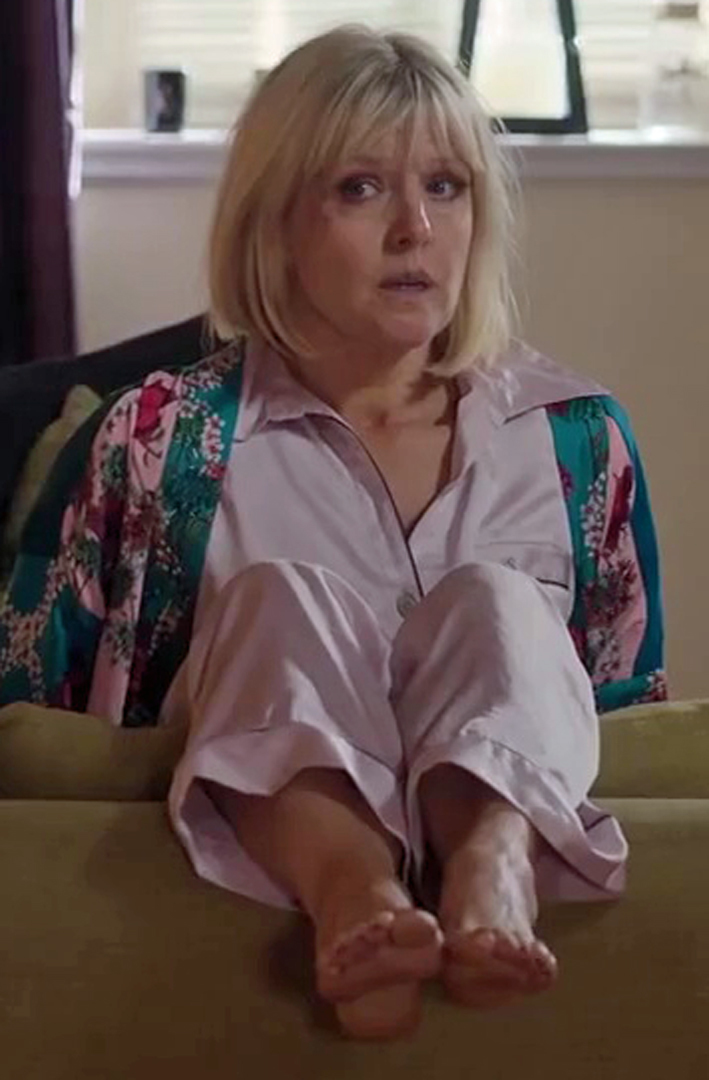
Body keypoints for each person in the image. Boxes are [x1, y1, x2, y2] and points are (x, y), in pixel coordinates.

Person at [0, 26, 667, 1041]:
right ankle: (353, 890)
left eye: (445, 187)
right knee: (282, 596)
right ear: (274, 221)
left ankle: (491, 859)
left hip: (513, 871)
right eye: (360, 189)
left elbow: (623, 723)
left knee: (495, 599)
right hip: (238, 879)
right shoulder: (158, 440)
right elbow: (37, 729)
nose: (415, 229)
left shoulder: (578, 439)